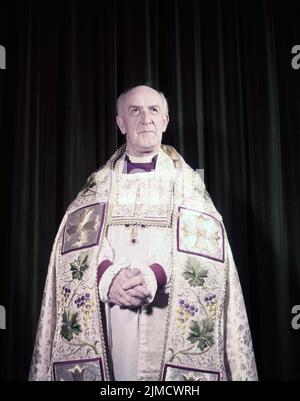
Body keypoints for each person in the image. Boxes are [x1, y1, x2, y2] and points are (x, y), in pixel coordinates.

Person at [29, 85, 258, 381]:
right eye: (134, 111)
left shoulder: (188, 187)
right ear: (121, 122)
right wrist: (107, 276)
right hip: (110, 312)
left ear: (165, 121)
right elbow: (78, 248)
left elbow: (201, 248)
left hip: (166, 306)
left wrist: (154, 274)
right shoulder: (96, 188)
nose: (145, 118)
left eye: (154, 110)